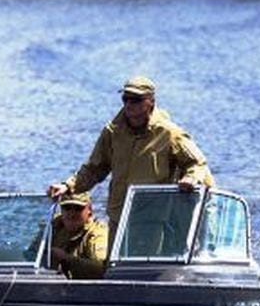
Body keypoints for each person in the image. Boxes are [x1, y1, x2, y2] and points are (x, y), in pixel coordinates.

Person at [47, 75, 215, 251]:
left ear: (150, 101)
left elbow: (197, 164)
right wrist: (68, 186)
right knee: (114, 271)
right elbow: (94, 168)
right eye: (125, 99)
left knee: (144, 270)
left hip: (152, 219)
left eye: (135, 100)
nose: (129, 104)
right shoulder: (112, 132)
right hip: (118, 217)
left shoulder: (169, 133)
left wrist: (190, 178)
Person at [49, 192, 108, 279]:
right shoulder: (54, 227)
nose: (72, 214)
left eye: (78, 208)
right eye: (67, 208)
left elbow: (100, 268)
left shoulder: (97, 233)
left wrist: (66, 258)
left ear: (89, 210)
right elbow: (32, 255)